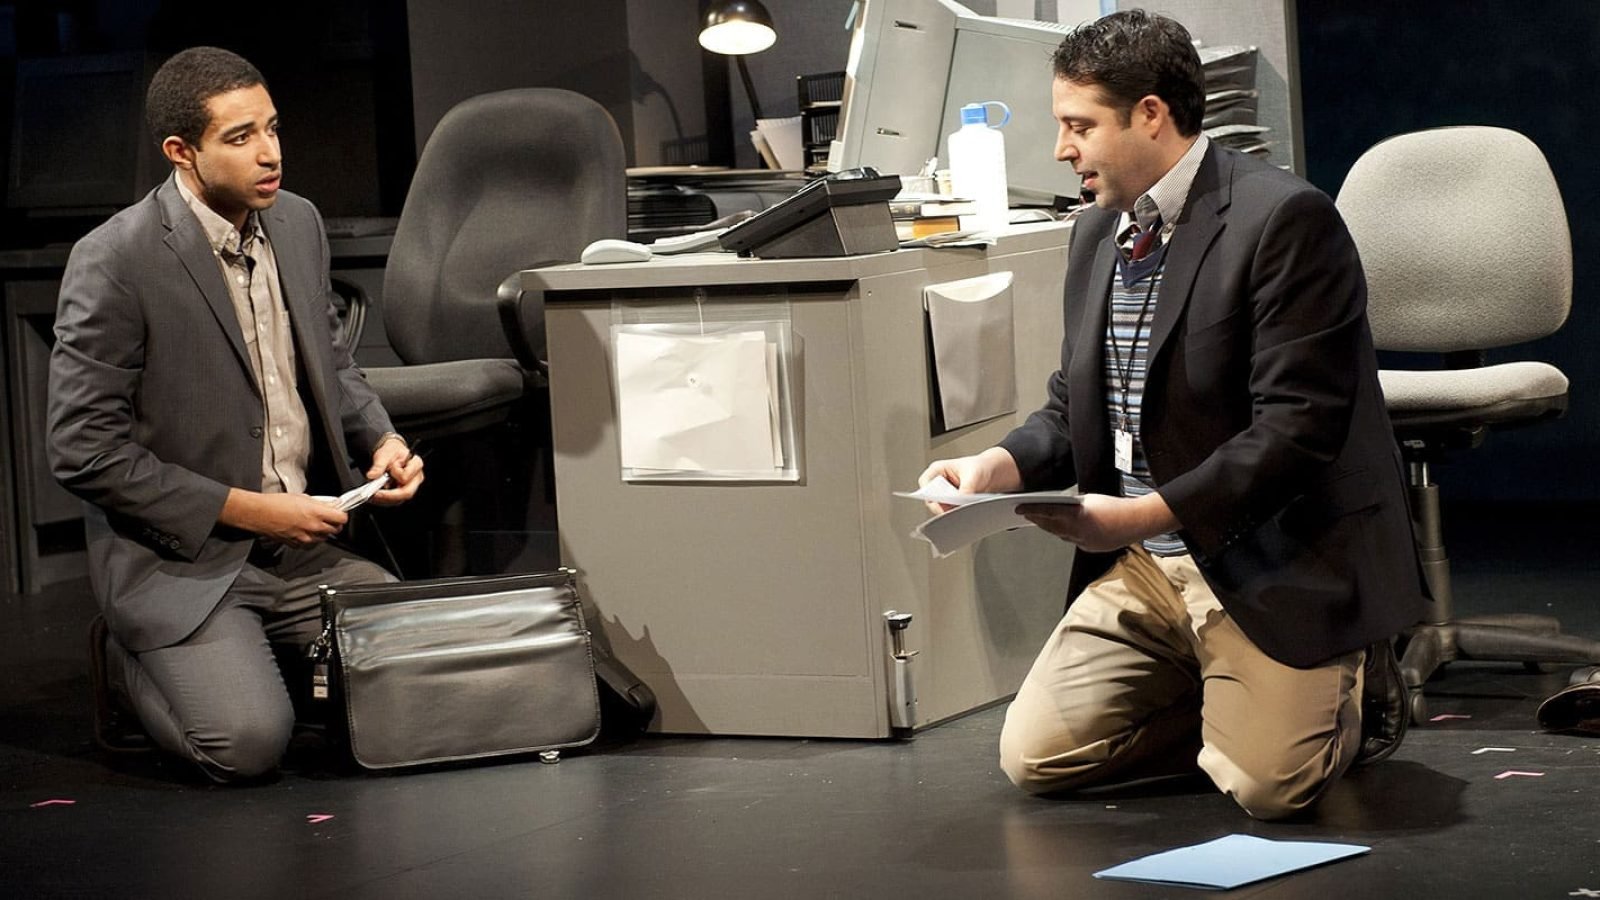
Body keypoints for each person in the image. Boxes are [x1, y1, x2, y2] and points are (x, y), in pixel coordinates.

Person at [919, 11, 1427, 819]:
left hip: (1270, 555)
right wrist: (999, 467)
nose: (1062, 149)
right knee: (1035, 756)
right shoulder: (1096, 233)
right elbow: (1074, 401)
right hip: (1152, 566)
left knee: (1270, 789)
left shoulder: (1283, 221)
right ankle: (1234, 709)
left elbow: (1297, 430)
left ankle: (1342, 702)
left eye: (1078, 125)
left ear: (1150, 114)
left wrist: (1141, 514)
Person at [47, 46, 424, 782]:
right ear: (181, 152)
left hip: (300, 551)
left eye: (273, 129)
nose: (269, 154)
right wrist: (250, 510)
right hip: (184, 562)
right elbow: (82, 448)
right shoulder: (114, 259)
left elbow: (330, 362)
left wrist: (379, 434)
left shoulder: (298, 223)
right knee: (247, 745)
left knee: (430, 686)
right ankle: (139, 658)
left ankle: (257, 657)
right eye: (240, 137)